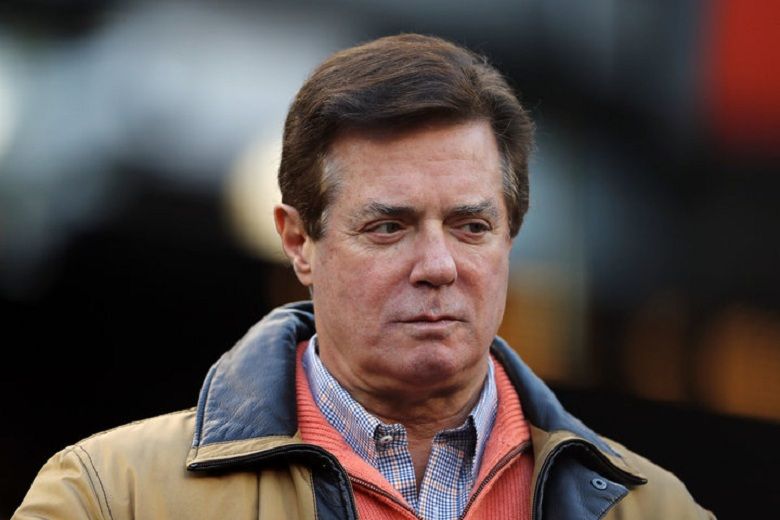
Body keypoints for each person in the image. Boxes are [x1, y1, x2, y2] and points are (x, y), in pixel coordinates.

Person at [15, 34, 714, 520]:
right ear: (299, 243)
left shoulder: (657, 510)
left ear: (511, 238)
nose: (438, 266)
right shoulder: (111, 498)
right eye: (388, 227)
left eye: (471, 227)